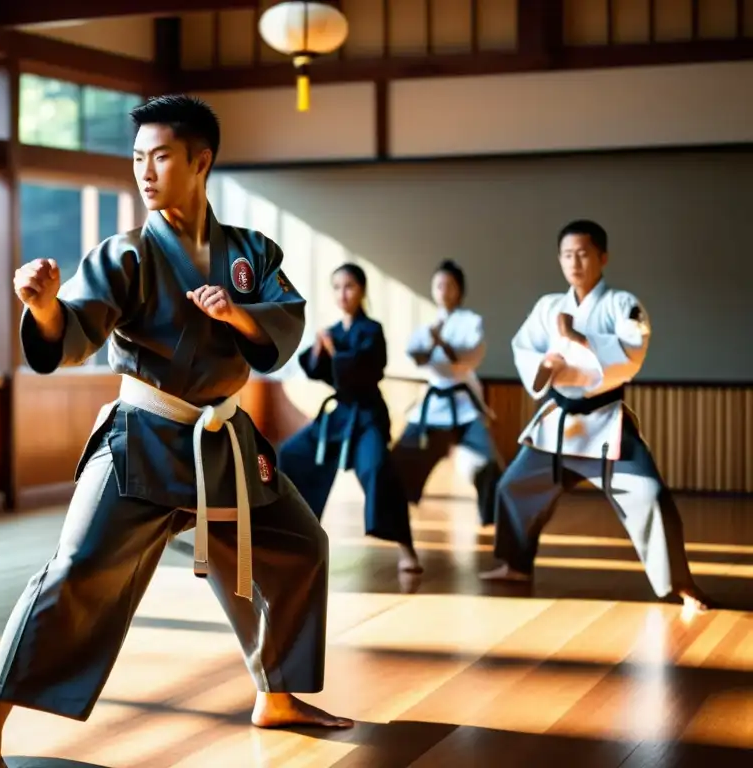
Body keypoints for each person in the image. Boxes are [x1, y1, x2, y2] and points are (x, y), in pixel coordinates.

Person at [0, 94, 352, 768]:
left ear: (201, 161)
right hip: (144, 440)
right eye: (138, 158)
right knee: (73, 573)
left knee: (300, 545)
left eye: (160, 156)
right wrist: (45, 308)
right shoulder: (125, 255)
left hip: (222, 439)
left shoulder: (250, 251)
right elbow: (72, 333)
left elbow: (283, 324)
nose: (145, 170)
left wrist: (237, 316)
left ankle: (275, 694)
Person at [478, 219, 712, 614]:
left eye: (583, 253)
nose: (575, 261)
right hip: (560, 421)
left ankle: (680, 585)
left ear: (603, 257)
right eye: (567, 254)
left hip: (605, 420)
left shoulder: (624, 303)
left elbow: (634, 349)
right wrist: (547, 361)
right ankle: (515, 564)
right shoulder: (548, 306)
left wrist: (580, 339)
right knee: (513, 486)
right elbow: (524, 348)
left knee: (649, 495)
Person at [276, 264, 420, 573]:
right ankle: (300, 535)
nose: (343, 293)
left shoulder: (372, 330)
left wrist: (334, 352)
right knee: (291, 454)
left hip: (367, 415)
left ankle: (407, 549)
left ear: (362, 290)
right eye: (337, 286)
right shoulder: (334, 332)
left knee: (379, 469)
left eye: (350, 286)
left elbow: (368, 367)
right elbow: (316, 369)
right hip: (338, 416)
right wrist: (320, 349)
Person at [391, 260, 503, 526]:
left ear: (460, 290)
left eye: (449, 285)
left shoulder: (471, 322)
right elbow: (417, 357)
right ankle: (398, 511)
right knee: (402, 454)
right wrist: (433, 340)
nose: (443, 290)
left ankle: (490, 517)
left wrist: (439, 341)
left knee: (485, 462)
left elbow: (464, 357)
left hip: (464, 400)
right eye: (438, 284)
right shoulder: (429, 324)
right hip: (434, 400)